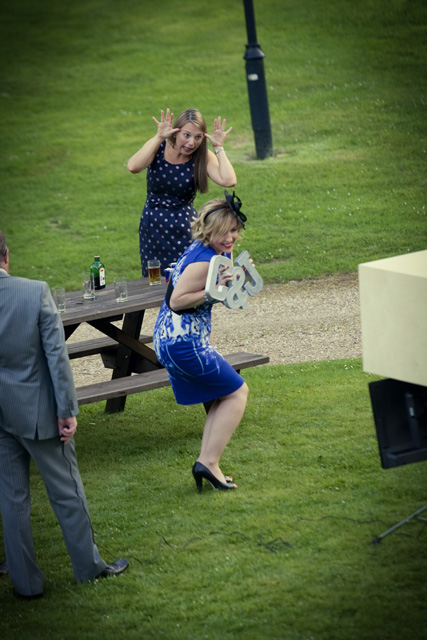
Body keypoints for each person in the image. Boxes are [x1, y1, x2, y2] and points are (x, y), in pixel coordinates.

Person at [0, 231, 129, 599]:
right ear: (6, 256)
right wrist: (67, 411)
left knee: (12, 500)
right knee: (66, 491)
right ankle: (89, 568)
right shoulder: (34, 292)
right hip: (38, 412)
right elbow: (57, 358)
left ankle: (26, 584)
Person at [152, 191, 249, 492]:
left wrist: (235, 281)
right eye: (223, 232)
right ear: (208, 231)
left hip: (175, 340)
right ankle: (208, 461)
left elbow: (225, 294)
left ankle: (208, 463)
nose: (230, 237)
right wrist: (212, 290)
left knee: (222, 396)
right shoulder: (204, 262)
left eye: (234, 230)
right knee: (237, 393)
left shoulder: (209, 250)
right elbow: (177, 301)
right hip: (184, 344)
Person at [127, 107, 237, 277]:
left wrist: (218, 147)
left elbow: (229, 180)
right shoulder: (159, 146)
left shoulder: (202, 155)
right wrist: (158, 137)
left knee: (185, 278)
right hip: (152, 228)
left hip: (184, 229)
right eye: (187, 135)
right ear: (176, 131)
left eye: (198, 137)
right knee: (154, 280)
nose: (191, 143)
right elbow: (133, 167)